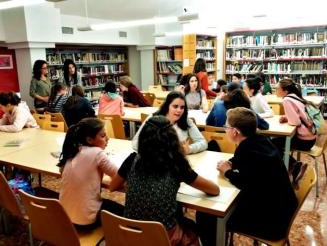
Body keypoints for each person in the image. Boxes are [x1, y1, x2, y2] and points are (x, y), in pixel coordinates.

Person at [110, 115, 219, 246]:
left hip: (131, 234)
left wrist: (140, 188)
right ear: (172, 138)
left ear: (143, 137)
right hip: (162, 237)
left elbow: (112, 186)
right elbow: (214, 190)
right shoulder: (176, 163)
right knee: (192, 226)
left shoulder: (133, 159)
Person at [196, 107, 298, 245]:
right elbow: (245, 163)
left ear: (235, 131)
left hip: (271, 223)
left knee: (207, 213)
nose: (225, 129)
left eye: (226, 126)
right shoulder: (259, 140)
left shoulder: (247, 150)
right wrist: (231, 163)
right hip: (280, 209)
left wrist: (227, 172)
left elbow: (244, 182)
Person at [59, 118, 124, 228]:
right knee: (124, 212)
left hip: (64, 216)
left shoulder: (74, 150)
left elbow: (62, 171)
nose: (108, 139)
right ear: (89, 140)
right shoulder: (97, 153)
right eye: (103, 136)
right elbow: (118, 175)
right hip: (85, 221)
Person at [133, 91, 207, 154]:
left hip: (177, 163)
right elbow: (135, 143)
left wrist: (189, 149)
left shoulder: (186, 121)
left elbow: (203, 142)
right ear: (167, 106)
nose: (179, 110)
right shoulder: (153, 119)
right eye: (175, 106)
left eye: (182, 107)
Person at [272, 78, 316, 183]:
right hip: (311, 138)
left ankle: (294, 165)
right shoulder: (295, 97)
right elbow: (299, 116)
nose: (275, 90)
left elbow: (295, 122)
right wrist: (287, 118)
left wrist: (289, 119)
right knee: (275, 142)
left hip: (304, 141)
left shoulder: (287, 100)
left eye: (277, 89)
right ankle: (294, 166)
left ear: (285, 91)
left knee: (271, 144)